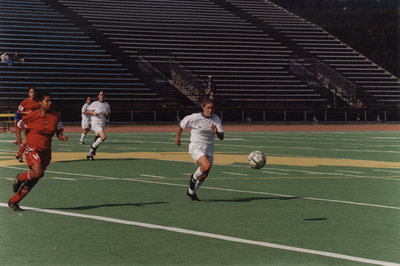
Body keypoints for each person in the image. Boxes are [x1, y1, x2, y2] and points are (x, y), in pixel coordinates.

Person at [9, 91, 68, 211]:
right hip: (32, 149)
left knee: (35, 178)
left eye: (51, 100)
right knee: (38, 173)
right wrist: (19, 139)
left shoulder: (55, 116)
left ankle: (14, 201)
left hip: (46, 151)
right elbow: (19, 125)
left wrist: (61, 136)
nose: (50, 103)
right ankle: (20, 177)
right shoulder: (32, 116)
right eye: (47, 101)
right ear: (40, 103)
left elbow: (59, 130)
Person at [175, 98, 224, 201]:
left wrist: (216, 131)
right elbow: (180, 126)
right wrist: (177, 139)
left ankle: (192, 192)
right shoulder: (194, 118)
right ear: (203, 108)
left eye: (212, 108)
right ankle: (193, 178)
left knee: (204, 174)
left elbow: (221, 137)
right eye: (208, 108)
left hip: (209, 148)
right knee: (206, 165)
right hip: (196, 146)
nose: (210, 110)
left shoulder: (216, 119)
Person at [15, 86, 39, 162]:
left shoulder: (37, 102)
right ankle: (31, 155)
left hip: (35, 123)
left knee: (27, 141)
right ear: (28, 93)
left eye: (33, 92)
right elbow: (19, 111)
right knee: (29, 140)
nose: (32, 94)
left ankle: (19, 155)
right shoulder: (25, 102)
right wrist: (27, 112)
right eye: (31, 92)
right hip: (28, 123)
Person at [85, 90, 110, 160]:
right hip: (95, 122)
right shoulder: (94, 103)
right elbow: (86, 112)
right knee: (103, 137)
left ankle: (89, 155)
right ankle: (93, 147)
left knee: (97, 140)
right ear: (98, 96)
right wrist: (93, 113)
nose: (102, 96)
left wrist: (107, 116)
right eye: (100, 95)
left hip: (102, 123)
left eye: (103, 95)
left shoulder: (107, 104)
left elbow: (108, 114)